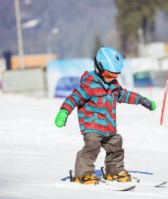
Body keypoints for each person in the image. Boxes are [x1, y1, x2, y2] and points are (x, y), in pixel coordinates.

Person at [55, 46, 156, 185]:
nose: (112, 79)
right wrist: (64, 112)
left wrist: (141, 100)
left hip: (109, 126)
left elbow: (124, 94)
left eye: (115, 75)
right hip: (92, 126)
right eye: (109, 75)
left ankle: (114, 172)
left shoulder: (113, 85)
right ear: (98, 68)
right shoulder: (89, 86)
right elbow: (73, 98)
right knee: (92, 146)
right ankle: (83, 174)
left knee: (116, 144)